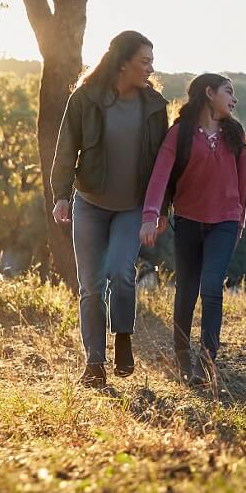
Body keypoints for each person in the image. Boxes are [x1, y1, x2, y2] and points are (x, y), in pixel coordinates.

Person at [51, 30, 169, 388]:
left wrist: (160, 209)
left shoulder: (154, 105)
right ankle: (94, 363)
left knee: (121, 273)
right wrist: (61, 195)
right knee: (91, 285)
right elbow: (66, 148)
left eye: (151, 61)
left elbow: (164, 163)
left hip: (132, 207)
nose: (151, 67)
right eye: (144, 61)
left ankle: (123, 337)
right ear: (123, 63)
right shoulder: (86, 98)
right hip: (90, 203)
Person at [140, 74, 246, 386]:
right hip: (188, 220)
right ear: (209, 93)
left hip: (225, 222)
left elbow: (242, 182)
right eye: (229, 92)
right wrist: (151, 215)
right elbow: (160, 175)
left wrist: (239, 221)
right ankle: (182, 356)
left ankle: (206, 360)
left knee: (212, 286)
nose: (234, 99)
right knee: (186, 290)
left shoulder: (235, 133)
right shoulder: (181, 133)